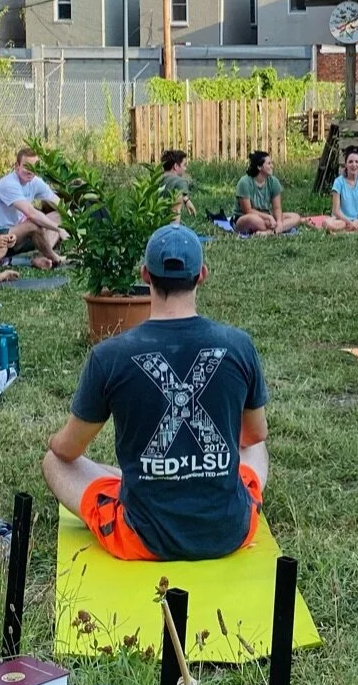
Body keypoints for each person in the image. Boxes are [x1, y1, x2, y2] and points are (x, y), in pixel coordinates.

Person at [42, 225, 270, 562]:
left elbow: (67, 449)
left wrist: (50, 440)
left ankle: (137, 480)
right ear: (202, 275)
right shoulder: (239, 345)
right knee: (257, 447)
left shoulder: (110, 356)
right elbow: (254, 435)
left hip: (142, 538)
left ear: (145, 275)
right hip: (229, 531)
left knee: (53, 462)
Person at [0, 147, 64, 267]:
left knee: (58, 216)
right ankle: (55, 258)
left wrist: (73, 226)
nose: (30, 171)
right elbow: (31, 213)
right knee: (33, 224)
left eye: (34, 167)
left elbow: (59, 204)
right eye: (26, 166)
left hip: (16, 236)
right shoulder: (9, 184)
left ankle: (43, 257)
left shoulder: (35, 182)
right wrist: (59, 229)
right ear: (17, 166)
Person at [233, 150, 302, 235]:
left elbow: (277, 208)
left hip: (268, 218)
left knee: (296, 217)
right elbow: (248, 210)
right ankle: (276, 230)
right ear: (259, 167)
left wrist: (279, 222)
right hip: (246, 218)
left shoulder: (273, 182)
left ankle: (270, 232)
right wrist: (268, 217)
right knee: (254, 220)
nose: (272, 166)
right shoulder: (244, 182)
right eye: (269, 164)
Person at [159, 149, 197, 219]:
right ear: (176, 166)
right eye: (184, 165)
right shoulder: (180, 181)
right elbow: (176, 209)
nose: (185, 168)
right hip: (170, 223)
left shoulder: (156, 180)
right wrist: (186, 199)